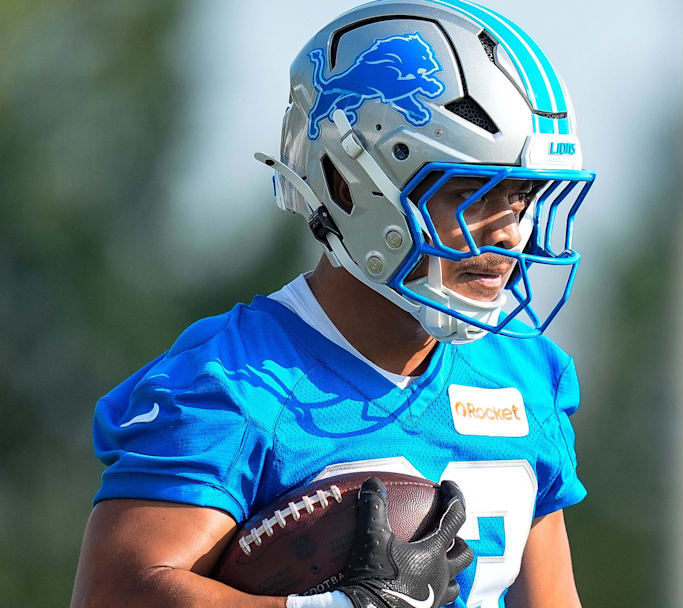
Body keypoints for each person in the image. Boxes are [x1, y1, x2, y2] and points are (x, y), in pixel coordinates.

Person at [71, 1, 595, 607]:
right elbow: (114, 594)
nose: (509, 232)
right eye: (470, 191)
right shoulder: (233, 382)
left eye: (521, 194)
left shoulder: (525, 373)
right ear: (349, 184)